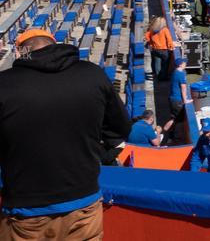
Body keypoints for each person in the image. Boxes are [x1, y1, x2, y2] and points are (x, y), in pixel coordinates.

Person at [0, 29, 128, 237]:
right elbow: (119, 130)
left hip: (26, 210)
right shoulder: (92, 74)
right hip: (84, 203)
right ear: (54, 45)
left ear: (19, 52)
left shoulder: (4, 84)